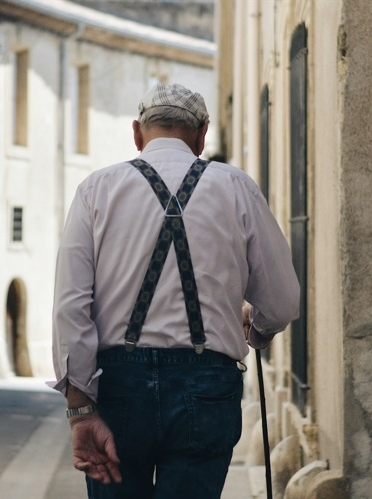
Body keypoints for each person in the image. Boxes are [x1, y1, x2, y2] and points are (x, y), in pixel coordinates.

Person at [50, 82, 299, 499]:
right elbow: (282, 301)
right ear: (202, 135)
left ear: (137, 133)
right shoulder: (236, 186)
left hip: (119, 388)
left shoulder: (97, 189)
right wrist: (255, 328)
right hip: (207, 389)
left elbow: (70, 306)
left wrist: (80, 410)